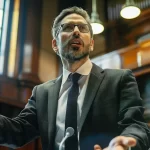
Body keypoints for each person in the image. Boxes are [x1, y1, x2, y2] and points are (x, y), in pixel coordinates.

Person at [0, 6, 150, 150]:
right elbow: (17, 132)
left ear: (91, 44)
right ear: (55, 45)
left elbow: (136, 126)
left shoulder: (119, 80)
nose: (76, 32)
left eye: (83, 28)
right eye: (68, 27)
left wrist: (123, 146)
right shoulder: (41, 93)